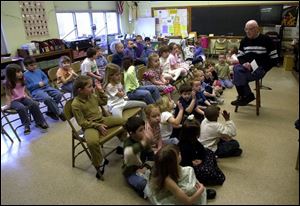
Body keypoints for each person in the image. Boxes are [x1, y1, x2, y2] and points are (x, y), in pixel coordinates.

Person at [72, 75, 126, 180]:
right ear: (80, 90)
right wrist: (97, 126)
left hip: (101, 120)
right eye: (90, 87)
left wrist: (100, 91)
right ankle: (100, 162)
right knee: (92, 142)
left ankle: (122, 144)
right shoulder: (76, 104)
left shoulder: (92, 95)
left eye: (92, 86)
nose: (92, 88)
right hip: (89, 126)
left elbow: (104, 102)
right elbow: (82, 122)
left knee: (123, 121)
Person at [231, 19, 279, 106]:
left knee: (238, 76)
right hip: (247, 66)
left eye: (251, 29)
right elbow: (240, 55)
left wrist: (264, 68)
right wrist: (244, 63)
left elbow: (274, 59)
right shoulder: (244, 41)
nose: (248, 31)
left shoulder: (266, 40)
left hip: (260, 68)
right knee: (236, 68)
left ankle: (244, 96)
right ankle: (247, 95)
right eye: (246, 29)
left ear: (257, 29)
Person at [178, 116, 225, 186]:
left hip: (197, 159)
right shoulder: (182, 145)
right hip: (190, 166)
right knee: (206, 171)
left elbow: (201, 149)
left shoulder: (194, 140)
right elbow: (182, 162)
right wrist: (191, 163)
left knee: (209, 152)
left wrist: (201, 159)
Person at [4, 64, 48, 135]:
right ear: (11, 74)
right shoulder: (8, 83)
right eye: (18, 72)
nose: (21, 73)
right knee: (21, 107)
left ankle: (40, 122)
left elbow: (24, 90)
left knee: (33, 104)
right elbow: (8, 95)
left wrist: (30, 98)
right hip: (14, 101)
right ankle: (26, 125)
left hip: (23, 97)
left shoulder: (22, 79)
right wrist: (8, 105)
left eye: (20, 71)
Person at [23, 56, 66, 121]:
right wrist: (37, 85)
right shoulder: (25, 75)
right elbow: (27, 87)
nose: (34, 66)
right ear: (26, 67)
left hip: (46, 87)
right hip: (36, 91)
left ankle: (50, 111)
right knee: (47, 98)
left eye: (35, 64)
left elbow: (46, 78)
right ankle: (59, 113)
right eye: (31, 65)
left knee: (59, 94)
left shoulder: (38, 70)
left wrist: (44, 82)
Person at [123, 116, 153, 198]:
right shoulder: (127, 143)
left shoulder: (143, 139)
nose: (144, 132)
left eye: (144, 128)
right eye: (140, 130)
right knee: (143, 184)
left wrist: (146, 167)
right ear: (132, 133)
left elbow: (151, 155)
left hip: (143, 166)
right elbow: (129, 152)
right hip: (131, 172)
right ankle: (140, 190)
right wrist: (143, 142)